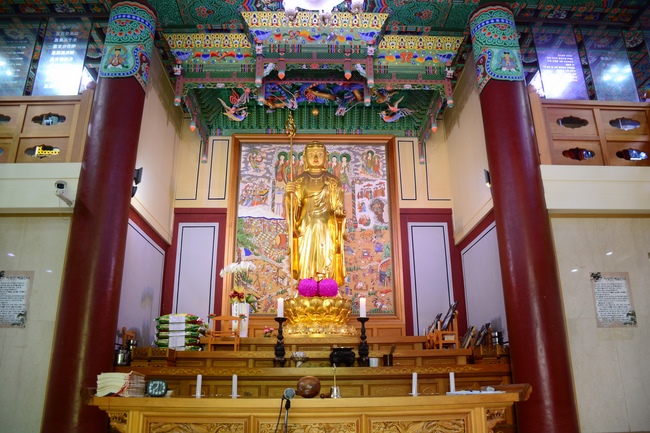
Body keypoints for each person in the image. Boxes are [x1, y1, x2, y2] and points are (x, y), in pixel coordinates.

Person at [285, 142, 346, 286]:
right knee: (307, 255)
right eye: (311, 155)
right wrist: (290, 195)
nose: (316, 158)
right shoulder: (299, 181)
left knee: (327, 255)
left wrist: (339, 213)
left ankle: (327, 285)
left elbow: (338, 206)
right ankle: (307, 284)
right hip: (306, 227)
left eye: (319, 154)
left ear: (326, 157)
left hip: (327, 227)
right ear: (305, 158)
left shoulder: (333, 181)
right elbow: (294, 208)